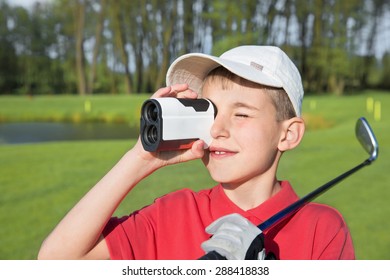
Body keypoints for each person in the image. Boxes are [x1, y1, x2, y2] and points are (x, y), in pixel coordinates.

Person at [38, 45, 355, 260]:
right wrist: (141, 158)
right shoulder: (172, 213)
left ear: (288, 134)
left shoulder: (322, 228)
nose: (217, 129)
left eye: (241, 114)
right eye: (209, 112)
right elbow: (56, 262)